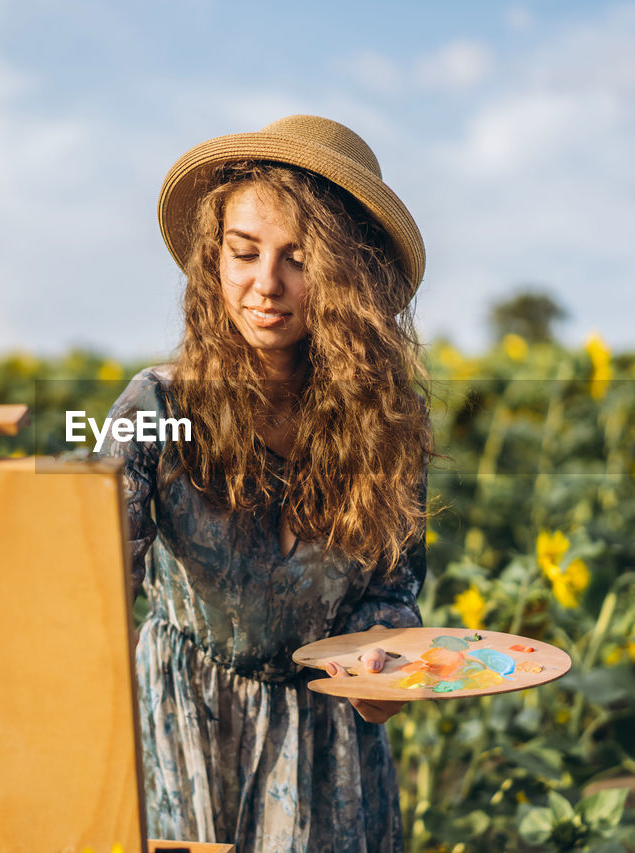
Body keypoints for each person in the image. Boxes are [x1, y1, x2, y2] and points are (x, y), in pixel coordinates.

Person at [100, 115, 433, 853]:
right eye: (244, 252)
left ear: (351, 275)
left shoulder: (385, 419)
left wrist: (382, 660)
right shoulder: (159, 410)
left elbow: (391, 586)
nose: (265, 285)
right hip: (187, 730)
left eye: (300, 259)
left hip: (328, 750)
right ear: (214, 257)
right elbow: (87, 586)